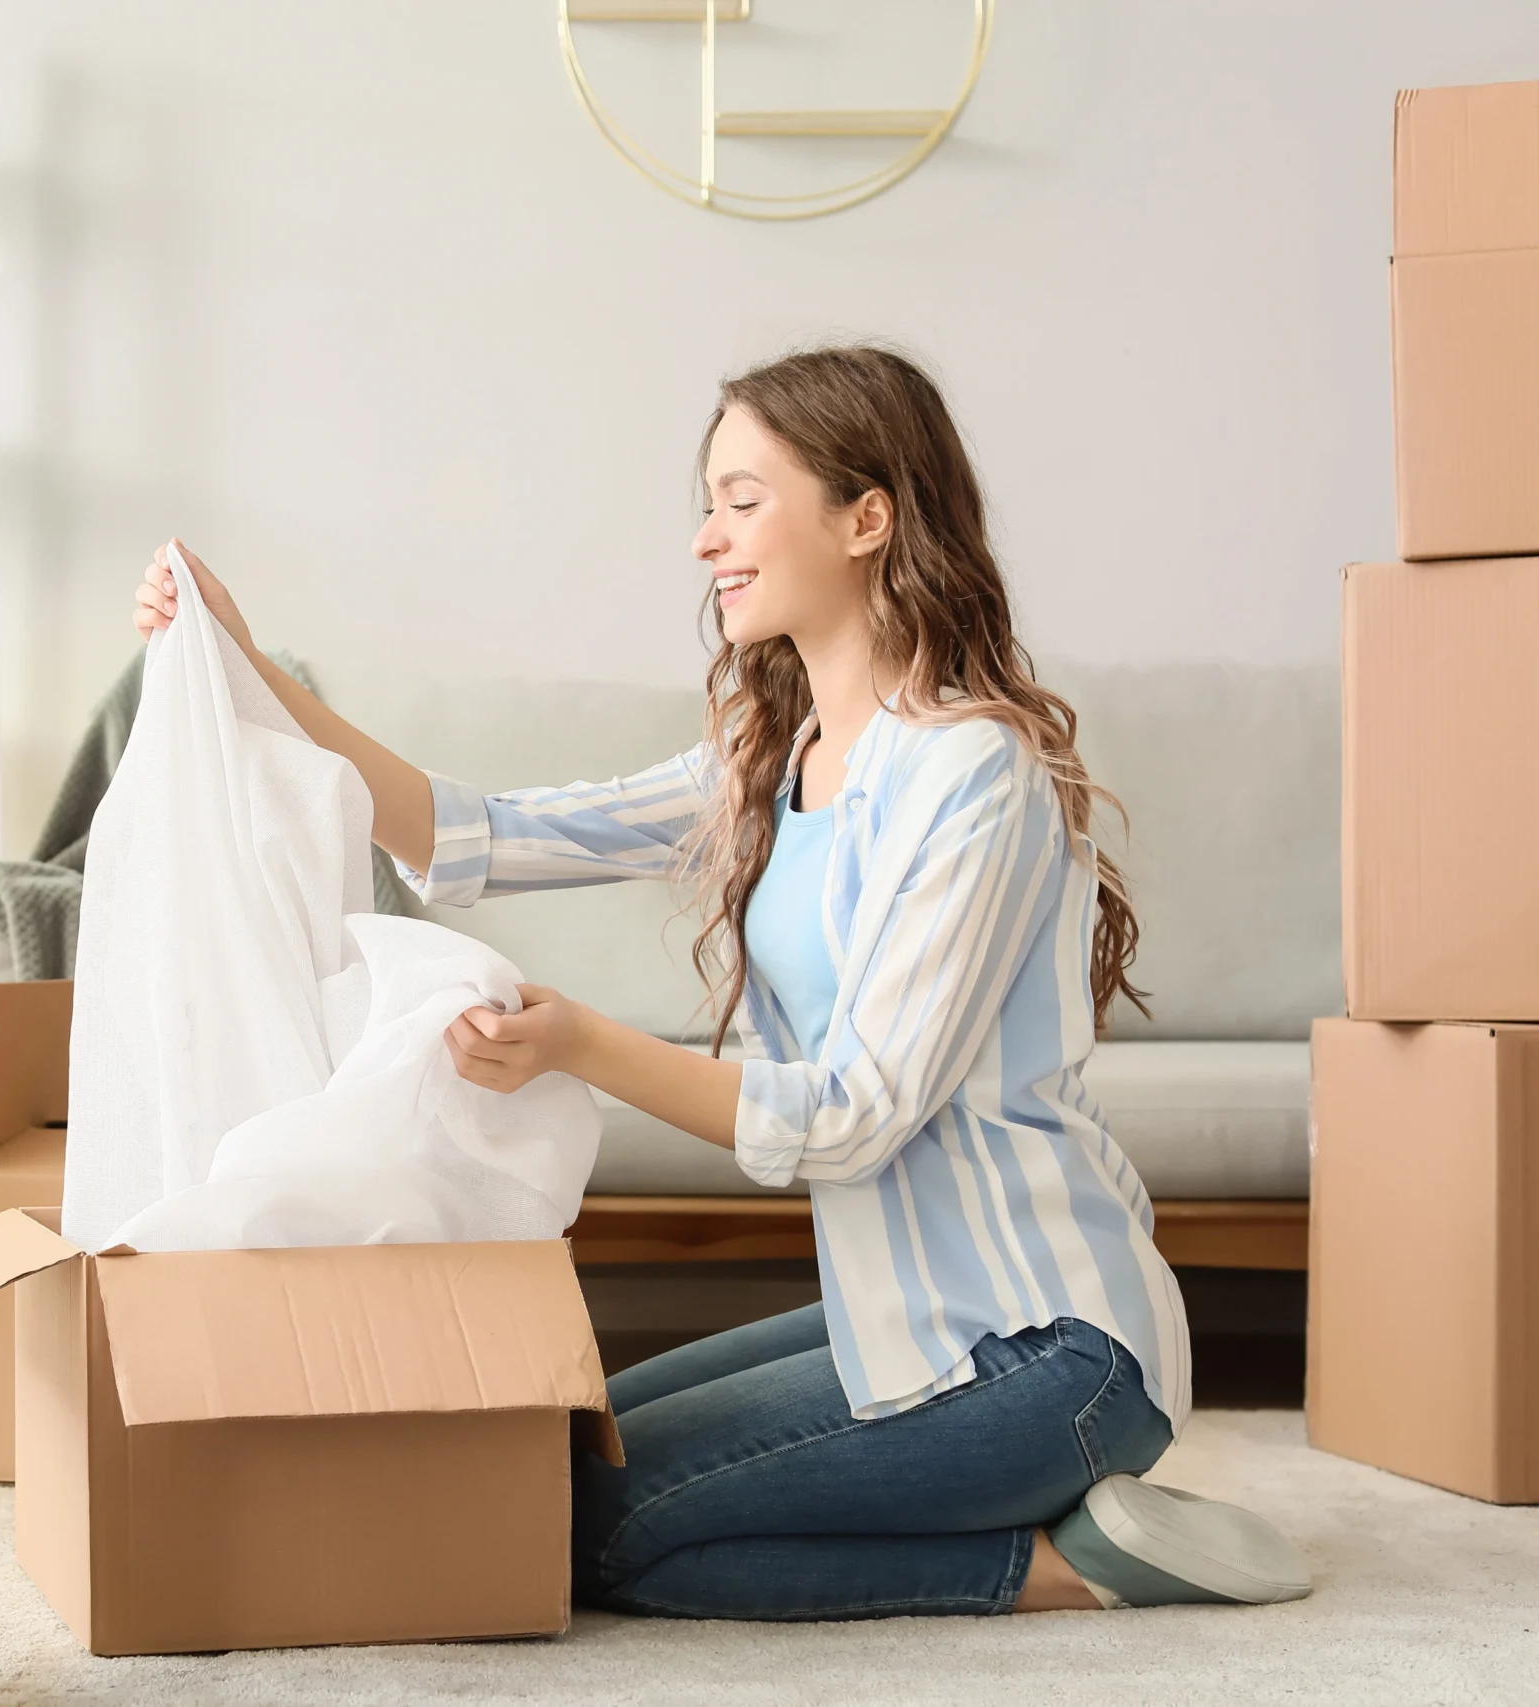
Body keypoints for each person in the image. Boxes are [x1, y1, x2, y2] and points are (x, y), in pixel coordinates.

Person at [130, 344, 1311, 1620]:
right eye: (709, 504)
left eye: (742, 500)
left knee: (588, 1534)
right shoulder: (771, 756)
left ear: (866, 519)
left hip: (1051, 1349)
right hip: (907, 1311)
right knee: (544, 1456)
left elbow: (854, 1116)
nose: (706, 539)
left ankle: (1069, 1568)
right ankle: (1038, 1525)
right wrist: (245, 671)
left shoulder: (972, 775)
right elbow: (480, 834)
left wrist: (582, 1044)